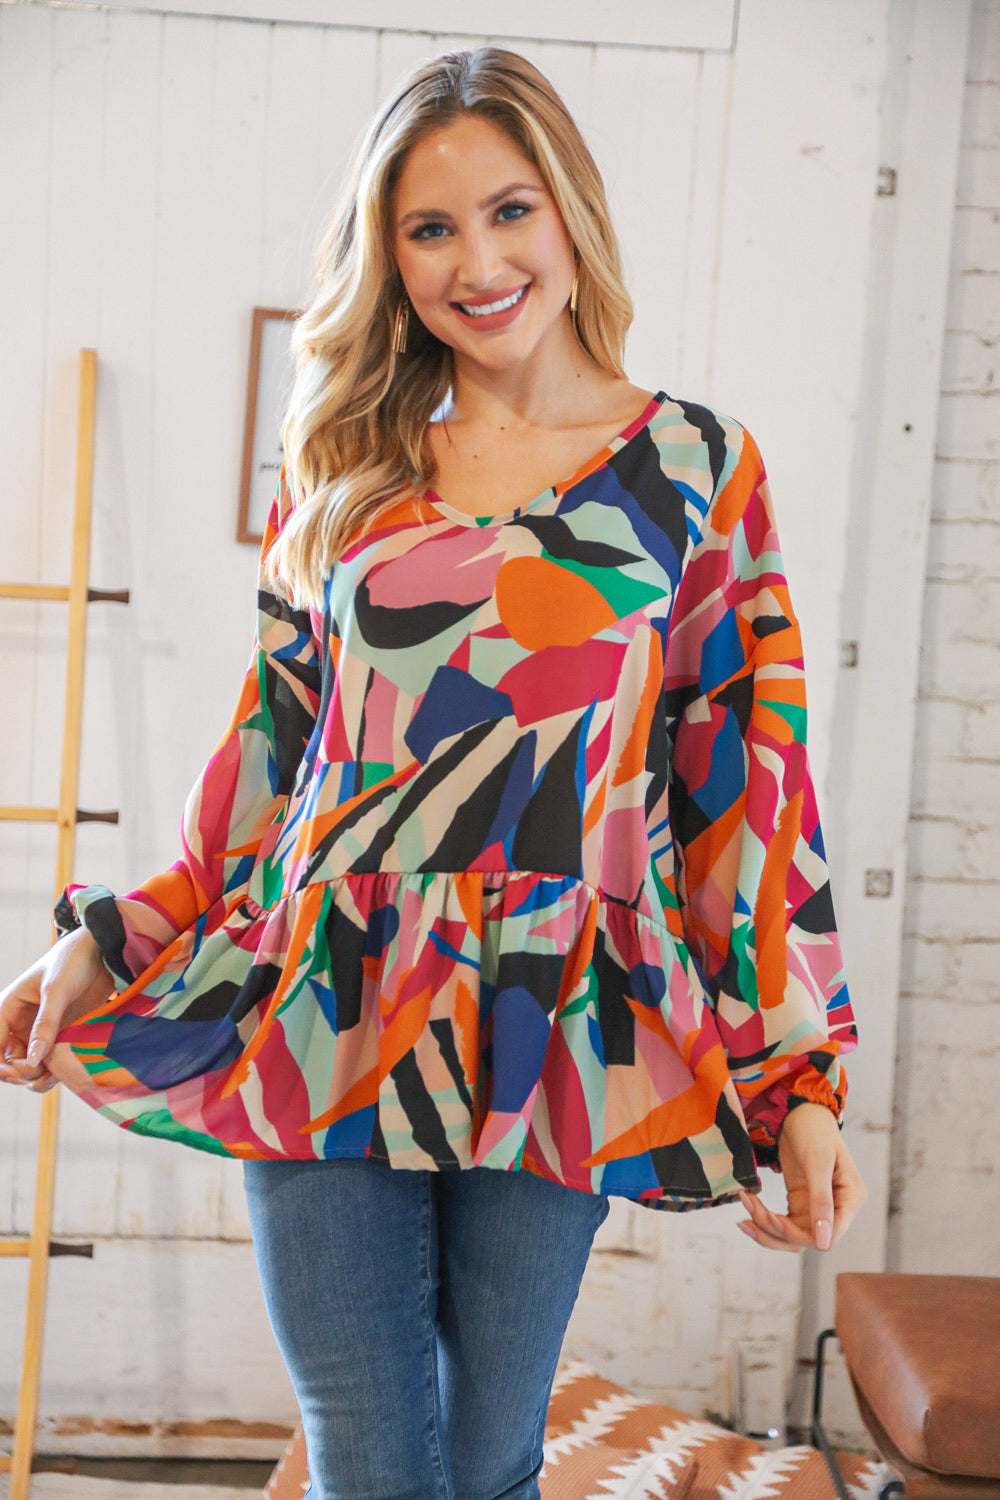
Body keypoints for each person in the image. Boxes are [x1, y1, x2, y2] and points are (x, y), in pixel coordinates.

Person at [0, 46, 865, 1500]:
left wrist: (802, 1082)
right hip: (328, 987)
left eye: (509, 210)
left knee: (484, 1455)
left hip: (561, 1013)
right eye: (430, 228)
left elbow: (746, 790)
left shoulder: (698, 469)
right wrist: (115, 935)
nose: (478, 262)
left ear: (570, 211)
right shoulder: (346, 459)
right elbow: (275, 758)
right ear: (390, 258)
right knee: (364, 1448)